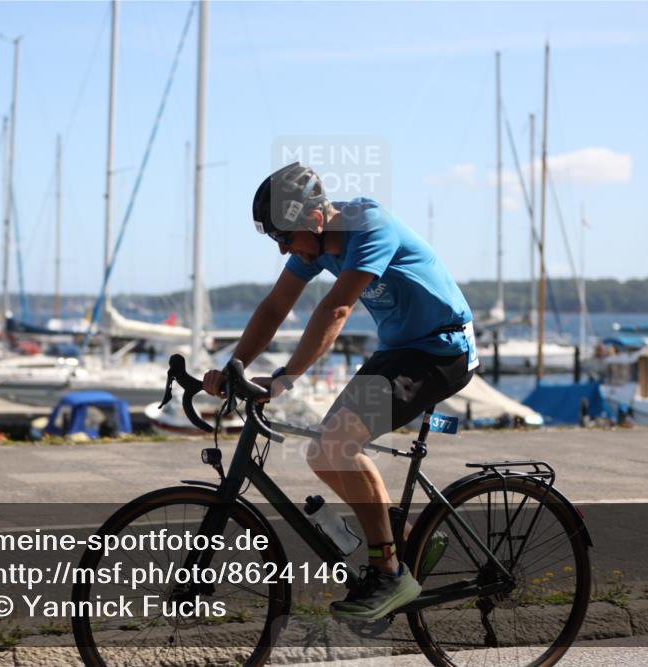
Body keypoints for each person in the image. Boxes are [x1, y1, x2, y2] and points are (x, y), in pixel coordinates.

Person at [202, 162, 478, 622]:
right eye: (277, 241)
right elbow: (274, 307)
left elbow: (337, 309)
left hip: (442, 350)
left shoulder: (369, 226)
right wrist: (234, 366)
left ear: (313, 218)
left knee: (339, 441)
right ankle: (409, 540)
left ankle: (389, 572)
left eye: (285, 237)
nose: (284, 248)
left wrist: (285, 378)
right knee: (321, 452)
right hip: (401, 349)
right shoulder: (312, 246)